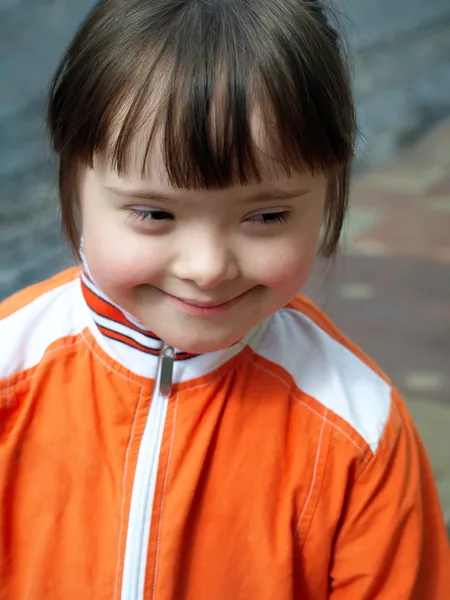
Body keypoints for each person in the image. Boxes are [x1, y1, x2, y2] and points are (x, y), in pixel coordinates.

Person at [0, 0, 449, 597]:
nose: (208, 269)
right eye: (154, 213)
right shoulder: (10, 370)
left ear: (331, 187)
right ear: (74, 178)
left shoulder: (359, 431)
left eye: (266, 215)